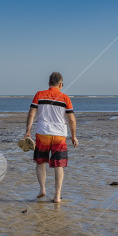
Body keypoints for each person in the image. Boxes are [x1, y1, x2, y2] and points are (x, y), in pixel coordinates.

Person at [24, 72, 78, 203]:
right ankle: (57, 196)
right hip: (59, 136)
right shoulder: (65, 98)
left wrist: (28, 131)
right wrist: (73, 136)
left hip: (42, 133)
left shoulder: (39, 95)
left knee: (40, 162)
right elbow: (71, 119)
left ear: (49, 83)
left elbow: (31, 114)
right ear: (60, 84)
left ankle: (42, 189)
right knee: (59, 165)